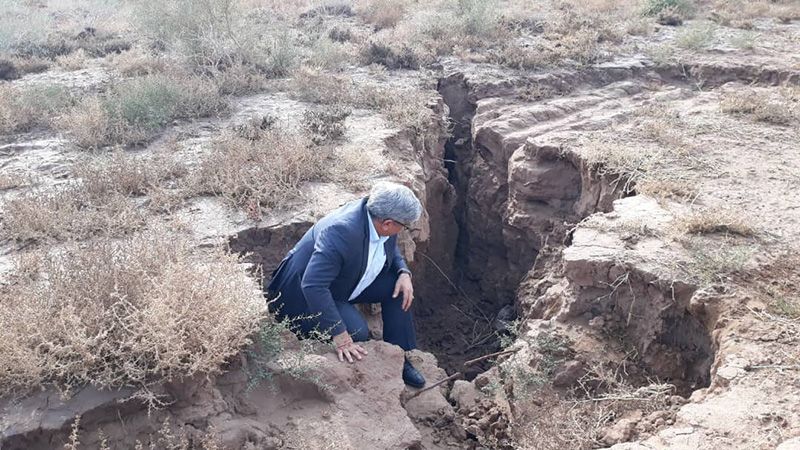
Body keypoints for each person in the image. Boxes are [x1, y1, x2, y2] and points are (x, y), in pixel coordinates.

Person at [266, 181, 426, 388]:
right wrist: (339, 335)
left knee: (397, 288)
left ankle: (400, 357)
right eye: (402, 227)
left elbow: (390, 245)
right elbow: (313, 285)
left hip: (347, 280)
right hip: (303, 298)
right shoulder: (342, 231)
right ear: (387, 223)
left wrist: (403, 272)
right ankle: (339, 327)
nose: (401, 231)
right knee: (356, 333)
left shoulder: (375, 215)